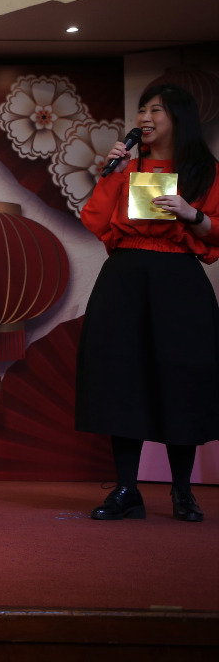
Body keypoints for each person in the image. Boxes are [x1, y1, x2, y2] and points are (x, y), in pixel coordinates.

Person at [76, 83, 219, 523]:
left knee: (181, 381)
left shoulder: (206, 171)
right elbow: (94, 219)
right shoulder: (128, 166)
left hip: (178, 281)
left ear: (179, 118)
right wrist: (114, 172)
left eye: (157, 110)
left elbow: (216, 232)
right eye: (143, 109)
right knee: (123, 379)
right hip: (125, 278)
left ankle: (182, 491)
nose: (145, 117)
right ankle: (126, 490)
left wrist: (191, 213)